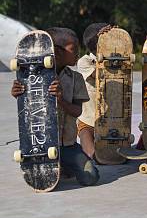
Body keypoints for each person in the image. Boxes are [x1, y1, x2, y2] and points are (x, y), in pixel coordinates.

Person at [12, 27, 99, 186]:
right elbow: (27, 110)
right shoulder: (32, 77)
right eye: (73, 49)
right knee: (46, 180)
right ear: (57, 52)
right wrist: (18, 93)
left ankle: (67, 166)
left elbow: (77, 111)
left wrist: (61, 100)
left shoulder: (76, 78)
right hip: (41, 146)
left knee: (91, 177)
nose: (77, 53)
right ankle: (60, 167)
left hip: (67, 146)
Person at [75, 23, 110, 160]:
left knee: (113, 156)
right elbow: (100, 74)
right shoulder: (85, 61)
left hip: (109, 120)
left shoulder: (119, 59)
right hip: (87, 120)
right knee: (91, 155)